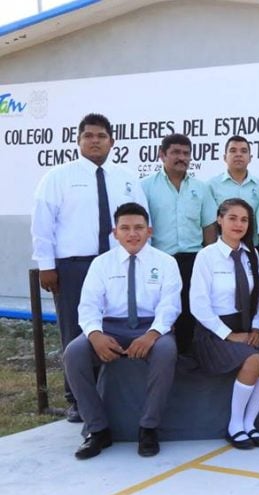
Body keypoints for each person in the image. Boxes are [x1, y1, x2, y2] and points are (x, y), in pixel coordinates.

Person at [31, 112, 148, 422]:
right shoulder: (58, 177)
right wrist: (46, 265)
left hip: (117, 264)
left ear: (112, 141)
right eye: (88, 136)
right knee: (75, 330)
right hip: (73, 267)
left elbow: (142, 220)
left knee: (112, 326)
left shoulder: (126, 178)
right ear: (79, 141)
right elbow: (43, 224)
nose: (95, 141)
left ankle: (110, 395)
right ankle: (77, 400)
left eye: (101, 136)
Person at [65, 202, 180, 459]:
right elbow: (89, 306)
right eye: (125, 228)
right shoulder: (101, 264)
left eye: (139, 227)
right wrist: (95, 335)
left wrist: (152, 335)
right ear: (114, 232)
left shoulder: (166, 262)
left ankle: (148, 428)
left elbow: (170, 306)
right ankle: (97, 430)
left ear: (149, 231)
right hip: (110, 328)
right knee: (74, 353)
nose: (132, 234)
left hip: (151, 326)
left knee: (165, 352)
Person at [190, 199, 259, 450]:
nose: (239, 224)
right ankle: (235, 425)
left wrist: (258, 327)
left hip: (247, 326)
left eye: (244, 220)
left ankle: (250, 423)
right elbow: (198, 305)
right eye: (232, 218)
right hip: (214, 332)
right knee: (253, 359)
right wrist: (228, 335)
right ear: (219, 220)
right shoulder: (206, 256)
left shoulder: (252, 256)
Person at [141, 133, 218, 354]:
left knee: (188, 311)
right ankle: (159, 356)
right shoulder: (145, 187)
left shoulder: (201, 188)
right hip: (159, 259)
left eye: (186, 153)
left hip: (192, 259)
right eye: (175, 152)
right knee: (160, 310)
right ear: (162, 155)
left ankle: (186, 357)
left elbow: (209, 226)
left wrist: (208, 258)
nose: (181, 157)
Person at [209, 135, 259, 247]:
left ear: (250, 157)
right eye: (233, 150)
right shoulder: (212, 185)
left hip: (252, 248)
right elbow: (210, 222)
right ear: (224, 157)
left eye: (243, 151)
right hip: (221, 250)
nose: (238, 154)